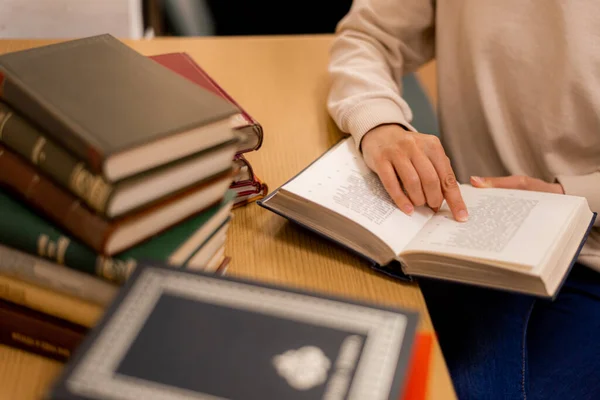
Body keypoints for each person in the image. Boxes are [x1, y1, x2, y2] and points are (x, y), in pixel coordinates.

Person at [326, 1, 600, 399]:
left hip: (589, 258)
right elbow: (368, 36)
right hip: (464, 236)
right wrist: (379, 122)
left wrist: (572, 196)